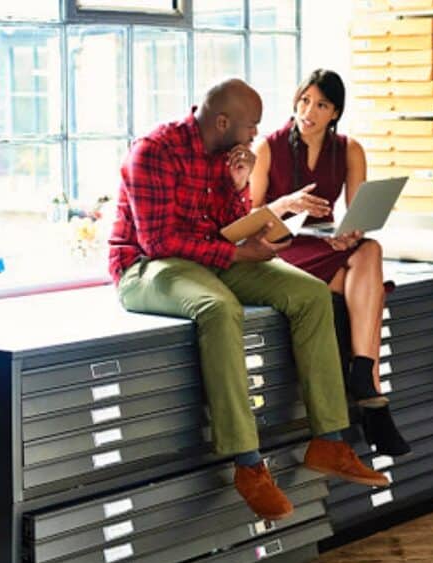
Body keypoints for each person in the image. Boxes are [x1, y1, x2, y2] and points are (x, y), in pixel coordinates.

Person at [108, 78, 388, 521]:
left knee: (310, 293)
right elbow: (159, 242)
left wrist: (237, 187)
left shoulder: (227, 156)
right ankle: (247, 463)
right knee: (218, 308)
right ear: (222, 122)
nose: (255, 135)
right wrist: (237, 253)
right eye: (250, 126)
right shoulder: (153, 152)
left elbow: (230, 223)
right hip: (147, 267)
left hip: (211, 255)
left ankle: (330, 441)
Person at [249, 69, 411, 457]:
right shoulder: (267, 148)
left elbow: (359, 217)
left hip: (324, 243)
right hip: (282, 246)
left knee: (369, 249)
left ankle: (362, 375)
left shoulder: (349, 149)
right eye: (304, 100)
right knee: (369, 295)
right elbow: (253, 217)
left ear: (335, 112)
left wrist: (348, 234)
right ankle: (370, 388)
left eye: (320, 105)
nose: (309, 111)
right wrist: (286, 205)